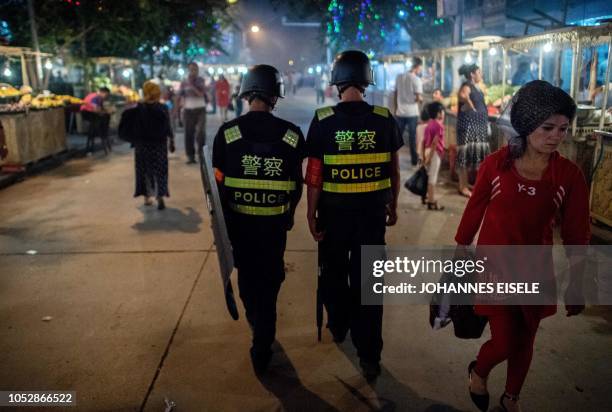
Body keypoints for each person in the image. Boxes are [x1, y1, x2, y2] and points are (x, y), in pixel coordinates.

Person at [455, 80, 590, 412]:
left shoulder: (568, 175)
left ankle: (511, 398)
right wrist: (460, 254)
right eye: (548, 127)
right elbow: (474, 210)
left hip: (536, 272)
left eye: (563, 128)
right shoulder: (496, 166)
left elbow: (577, 232)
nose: (557, 136)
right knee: (504, 341)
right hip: (494, 269)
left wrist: (577, 282)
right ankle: (480, 369)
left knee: (526, 338)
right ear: (528, 125)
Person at [305, 50, 402, 380]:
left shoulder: (323, 120)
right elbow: (393, 169)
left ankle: (339, 324)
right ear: (365, 81)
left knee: (333, 275)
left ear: (336, 83)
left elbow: (314, 173)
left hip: (334, 217)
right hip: (372, 217)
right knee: (369, 285)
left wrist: (310, 211)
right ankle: (370, 355)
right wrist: (394, 203)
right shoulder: (384, 117)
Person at [212, 64, 305, 373]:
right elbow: (296, 185)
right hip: (274, 229)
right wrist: (289, 216)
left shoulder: (228, 134)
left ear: (247, 93)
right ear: (275, 97)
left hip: (239, 230)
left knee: (249, 281)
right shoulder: (292, 136)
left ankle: (260, 334)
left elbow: (218, 187)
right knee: (270, 280)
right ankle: (263, 337)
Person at [120, 81, 174, 210]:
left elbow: (130, 125)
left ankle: (147, 197)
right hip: (159, 145)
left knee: (144, 171)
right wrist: (171, 141)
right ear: (157, 93)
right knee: (160, 171)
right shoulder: (163, 108)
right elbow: (167, 126)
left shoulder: (139, 108)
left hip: (142, 146)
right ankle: (160, 196)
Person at [456, 64, 490, 197]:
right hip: (468, 126)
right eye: (479, 72)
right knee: (464, 156)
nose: (481, 74)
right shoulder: (467, 86)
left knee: (474, 156)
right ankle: (462, 187)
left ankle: (467, 185)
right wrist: (472, 107)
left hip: (477, 126)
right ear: (472, 74)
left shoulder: (476, 87)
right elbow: (462, 95)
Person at [178, 62, 207, 164]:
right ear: (188, 70)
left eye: (195, 69)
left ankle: (202, 155)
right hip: (188, 110)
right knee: (188, 133)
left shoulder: (201, 80)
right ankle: (190, 156)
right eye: (191, 69)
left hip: (200, 109)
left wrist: (191, 86)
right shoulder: (183, 82)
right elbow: (180, 95)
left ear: (198, 70)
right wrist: (178, 109)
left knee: (200, 133)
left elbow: (201, 94)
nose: (193, 72)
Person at [422, 102, 445, 210]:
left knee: (429, 176)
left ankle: (427, 197)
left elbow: (424, 141)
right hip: (434, 153)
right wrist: (430, 158)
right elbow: (435, 143)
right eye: (442, 111)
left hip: (427, 151)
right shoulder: (439, 126)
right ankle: (431, 201)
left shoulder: (429, 124)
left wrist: (424, 156)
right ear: (438, 113)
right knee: (433, 178)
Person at [81, 87, 111, 154]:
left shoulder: (99, 98)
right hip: (87, 112)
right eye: (106, 95)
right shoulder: (95, 97)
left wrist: (105, 112)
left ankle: (103, 133)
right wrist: (104, 112)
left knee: (106, 116)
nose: (106, 97)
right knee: (103, 118)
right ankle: (101, 134)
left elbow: (100, 109)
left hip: (92, 113)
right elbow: (96, 109)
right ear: (103, 93)